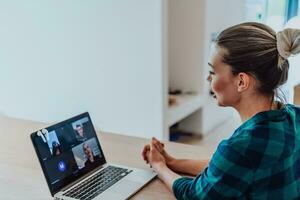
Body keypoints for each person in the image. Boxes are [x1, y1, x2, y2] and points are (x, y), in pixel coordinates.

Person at [142, 22, 300, 199]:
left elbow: (193, 194)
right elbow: (228, 169)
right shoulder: (294, 117)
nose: (208, 78)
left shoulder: (242, 146)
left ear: (241, 81)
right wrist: (172, 162)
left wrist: (159, 166)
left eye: (213, 71)